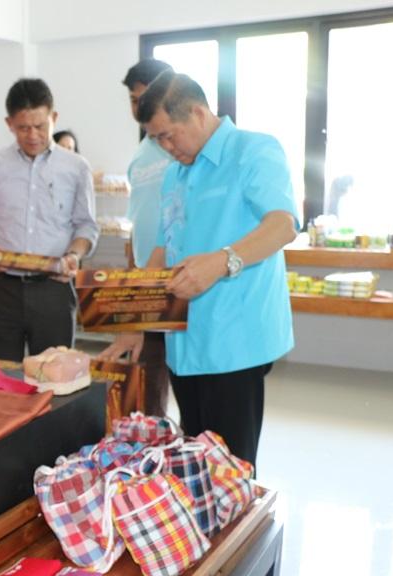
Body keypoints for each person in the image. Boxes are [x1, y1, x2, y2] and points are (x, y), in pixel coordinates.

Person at [98, 71, 299, 468]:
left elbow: (283, 225)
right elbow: (162, 248)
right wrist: (136, 319)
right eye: (156, 140)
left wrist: (222, 261)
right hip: (184, 340)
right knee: (193, 457)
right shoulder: (175, 172)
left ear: (197, 113)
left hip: (234, 341)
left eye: (168, 136)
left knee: (231, 467)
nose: (165, 147)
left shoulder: (253, 151)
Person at [0, 78, 97, 361]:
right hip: (2, 289)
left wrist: (74, 255)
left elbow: (86, 225)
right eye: (23, 128)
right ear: (9, 123)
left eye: (40, 126)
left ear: (54, 117)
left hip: (54, 289)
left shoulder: (76, 167)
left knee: (54, 375)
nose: (33, 135)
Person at [120, 57, 174, 417]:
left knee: (188, 380)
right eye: (133, 99)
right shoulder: (139, 156)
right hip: (146, 279)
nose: (140, 106)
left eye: (146, 97)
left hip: (179, 277)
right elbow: (137, 222)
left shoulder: (180, 147)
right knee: (148, 380)